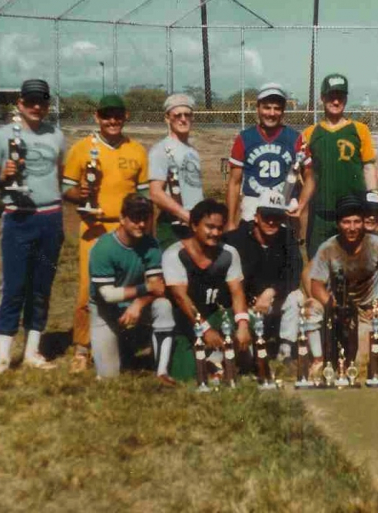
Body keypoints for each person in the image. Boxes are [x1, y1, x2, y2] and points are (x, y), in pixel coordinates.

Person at [0, 79, 66, 375]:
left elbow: (61, 176)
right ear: (20, 104)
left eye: (41, 101)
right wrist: (3, 176)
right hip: (18, 218)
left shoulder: (57, 135)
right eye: (30, 101)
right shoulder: (3, 136)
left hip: (50, 218)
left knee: (41, 287)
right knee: (14, 286)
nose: (36, 107)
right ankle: (3, 357)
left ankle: (32, 351)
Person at [62, 94, 150, 373]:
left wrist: (146, 229)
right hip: (95, 226)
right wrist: (82, 195)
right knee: (89, 288)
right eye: (106, 115)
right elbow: (68, 189)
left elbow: (145, 195)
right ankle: (82, 347)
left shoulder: (137, 150)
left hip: (128, 229)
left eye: (117, 115)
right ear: (96, 117)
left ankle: (121, 344)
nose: (112, 121)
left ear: (126, 117)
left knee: (126, 286)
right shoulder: (81, 148)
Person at [308, 195, 378, 370]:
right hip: (336, 306)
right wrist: (331, 303)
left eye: (356, 222)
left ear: (362, 222)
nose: (352, 228)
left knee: (360, 363)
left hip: (366, 310)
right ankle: (318, 360)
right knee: (310, 307)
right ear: (338, 224)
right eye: (346, 222)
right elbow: (316, 284)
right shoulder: (328, 247)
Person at [88, 194, 175, 383]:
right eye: (135, 218)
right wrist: (145, 288)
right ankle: (122, 344)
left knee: (163, 305)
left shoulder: (151, 244)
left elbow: (158, 289)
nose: (141, 224)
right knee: (108, 378)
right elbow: (108, 295)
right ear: (122, 218)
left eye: (145, 218)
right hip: (105, 310)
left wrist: (138, 302)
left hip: (132, 305)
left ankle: (161, 371)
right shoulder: (104, 247)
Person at [162, 199, 251, 380]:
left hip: (215, 315)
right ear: (194, 225)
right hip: (186, 322)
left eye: (219, 228)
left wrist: (243, 324)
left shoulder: (228, 253)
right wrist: (205, 330)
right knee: (187, 376)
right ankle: (214, 361)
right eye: (209, 227)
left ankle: (226, 360)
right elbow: (180, 298)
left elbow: (237, 292)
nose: (215, 233)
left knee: (245, 323)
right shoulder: (175, 254)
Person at [293, 74, 378, 259]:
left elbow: (368, 167)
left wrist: (372, 201)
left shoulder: (360, 129)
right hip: (321, 214)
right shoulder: (310, 133)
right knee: (318, 263)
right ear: (322, 98)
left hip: (352, 214)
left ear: (346, 99)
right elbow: (303, 174)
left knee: (353, 265)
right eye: (331, 96)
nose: (336, 101)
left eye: (340, 96)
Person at [223, 190, 304, 361]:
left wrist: (272, 291)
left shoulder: (287, 237)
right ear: (256, 216)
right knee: (249, 359)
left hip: (272, 301)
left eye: (276, 216)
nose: (271, 221)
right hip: (245, 305)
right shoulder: (236, 239)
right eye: (267, 215)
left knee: (296, 297)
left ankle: (285, 350)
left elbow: (295, 273)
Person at [225, 82, 303, 231]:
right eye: (267, 107)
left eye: (277, 108)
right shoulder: (244, 138)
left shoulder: (294, 138)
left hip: (282, 201)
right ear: (258, 108)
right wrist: (230, 221)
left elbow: (309, 177)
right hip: (253, 201)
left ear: (283, 111)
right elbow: (234, 183)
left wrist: (302, 204)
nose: (271, 113)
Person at [148, 94, 204, 249]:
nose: (183, 119)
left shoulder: (192, 150)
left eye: (187, 115)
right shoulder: (161, 150)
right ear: (167, 118)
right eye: (177, 115)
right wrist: (184, 214)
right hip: (173, 225)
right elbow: (155, 193)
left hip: (195, 222)